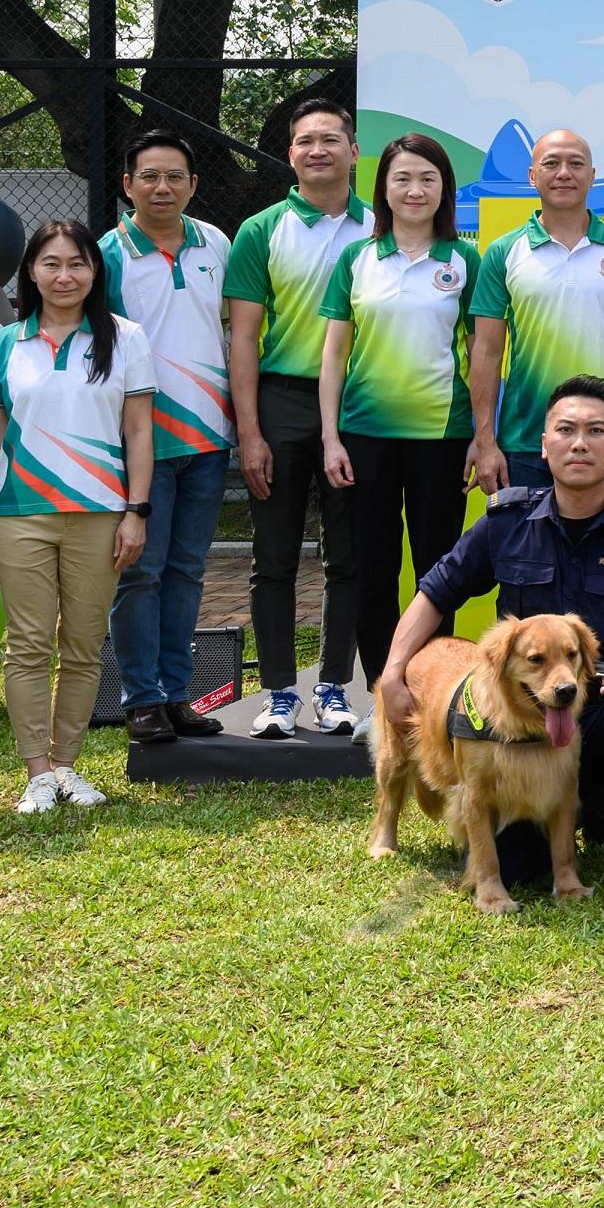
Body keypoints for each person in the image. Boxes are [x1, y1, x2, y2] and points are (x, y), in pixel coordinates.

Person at [383, 377, 604, 904]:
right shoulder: (506, 521)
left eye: (597, 431)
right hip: (529, 722)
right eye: (566, 430)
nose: (580, 444)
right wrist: (394, 672)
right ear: (544, 445)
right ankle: (589, 807)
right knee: (516, 867)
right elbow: (434, 594)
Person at [0, 221, 155, 815]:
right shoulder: (5, 344)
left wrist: (136, 511)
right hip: (19, 514)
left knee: (82, 644)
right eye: (51, 263)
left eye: (77, 263)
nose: (65, 276)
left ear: (95, 272)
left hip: (101, 513)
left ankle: (67, 765)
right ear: (31, 271)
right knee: (27, 644)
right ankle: (37, 773)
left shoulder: (125, 338)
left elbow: (138, 431)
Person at [319, 133, 481, 729]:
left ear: (444, 190)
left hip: (443, 438)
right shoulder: (356, 259)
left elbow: (482, 355)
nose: (415, 190)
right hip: (365, 437)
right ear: (382, 188)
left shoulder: (466, 262)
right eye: (402, 178)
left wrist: (480, 434)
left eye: (427, 179)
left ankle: (436, 696)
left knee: (440, 570)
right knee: (373, 569)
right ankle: (381, 697)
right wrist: (331, 437)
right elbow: (334, 355)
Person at [223, 98, 374, 738]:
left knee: (350, 556)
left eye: (331, 139)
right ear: (290, 154)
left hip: (360, 403)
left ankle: (334, 687)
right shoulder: (260, 230)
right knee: (274, 557)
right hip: (282, 402)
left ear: (353, 151)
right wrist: (250, 432)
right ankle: (280, 693)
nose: (318, 150)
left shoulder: (383, 226)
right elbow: (242, 339)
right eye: (306, 141)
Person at [102, 130, 232, 748]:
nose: (163, 187)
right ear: (128, 184)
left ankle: (178, 694)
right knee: (141, 572)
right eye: (149, 176)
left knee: (187, 571)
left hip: (209, 439)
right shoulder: (107, 254)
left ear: (193, 184)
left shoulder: (216, 243)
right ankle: (142, 700)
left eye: (175, 176)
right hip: (140, 443)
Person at [466, 127, 604, 495]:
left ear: (592, 176)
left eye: (576, 164)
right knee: (526, 534)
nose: (564, 173)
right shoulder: (504, 251)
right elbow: (487, 352)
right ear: (532, 175)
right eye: (551, 163)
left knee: (603, 534)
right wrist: (486, 441)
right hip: (524, 440)